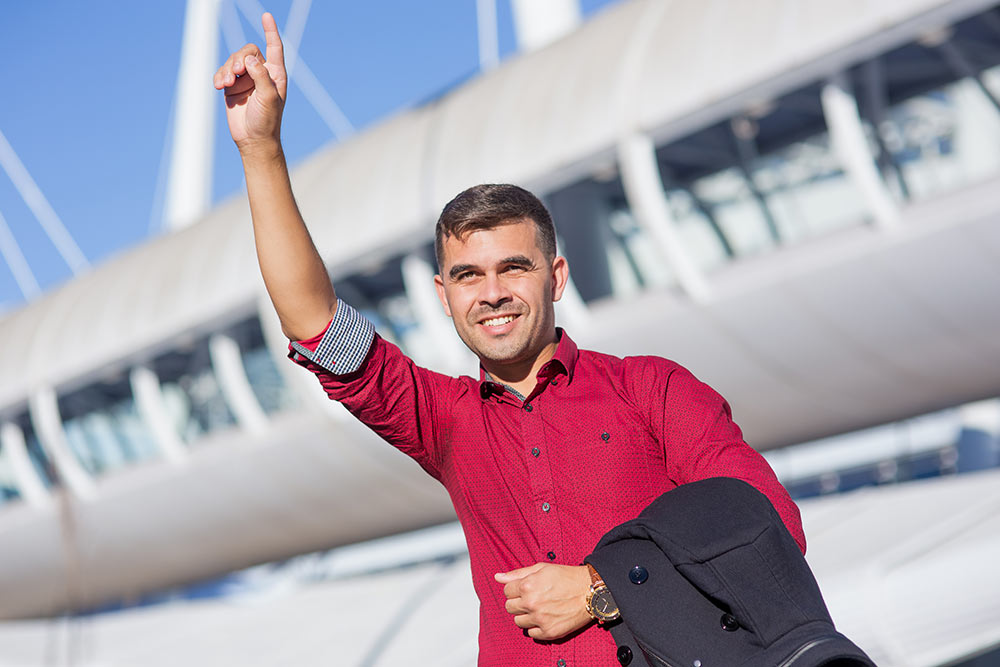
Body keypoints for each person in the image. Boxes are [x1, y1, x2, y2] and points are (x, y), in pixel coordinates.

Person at [214, 14, 805, 667]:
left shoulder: (653, 388)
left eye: (513, 268)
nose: (491, 292)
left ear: (555, 276)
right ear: (444, 296)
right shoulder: (443, 420)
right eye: (468, 275)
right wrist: (261, 149)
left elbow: (767, 526)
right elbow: (315, 323)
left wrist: (601, 589)